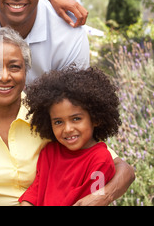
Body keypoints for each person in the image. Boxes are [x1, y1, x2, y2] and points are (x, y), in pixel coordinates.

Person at [0, 27, 134, 206]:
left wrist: (102, 195)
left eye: (14, 66)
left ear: (26, 72)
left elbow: (122, 169)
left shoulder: (52, 118)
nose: (4, 76)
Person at [18, 67, 122, 206]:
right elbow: (35, 192)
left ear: (95, 118)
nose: (67, 129)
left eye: (76, 119)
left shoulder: (101, 160)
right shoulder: (50, 152)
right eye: (58, 122)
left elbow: (91, 202)